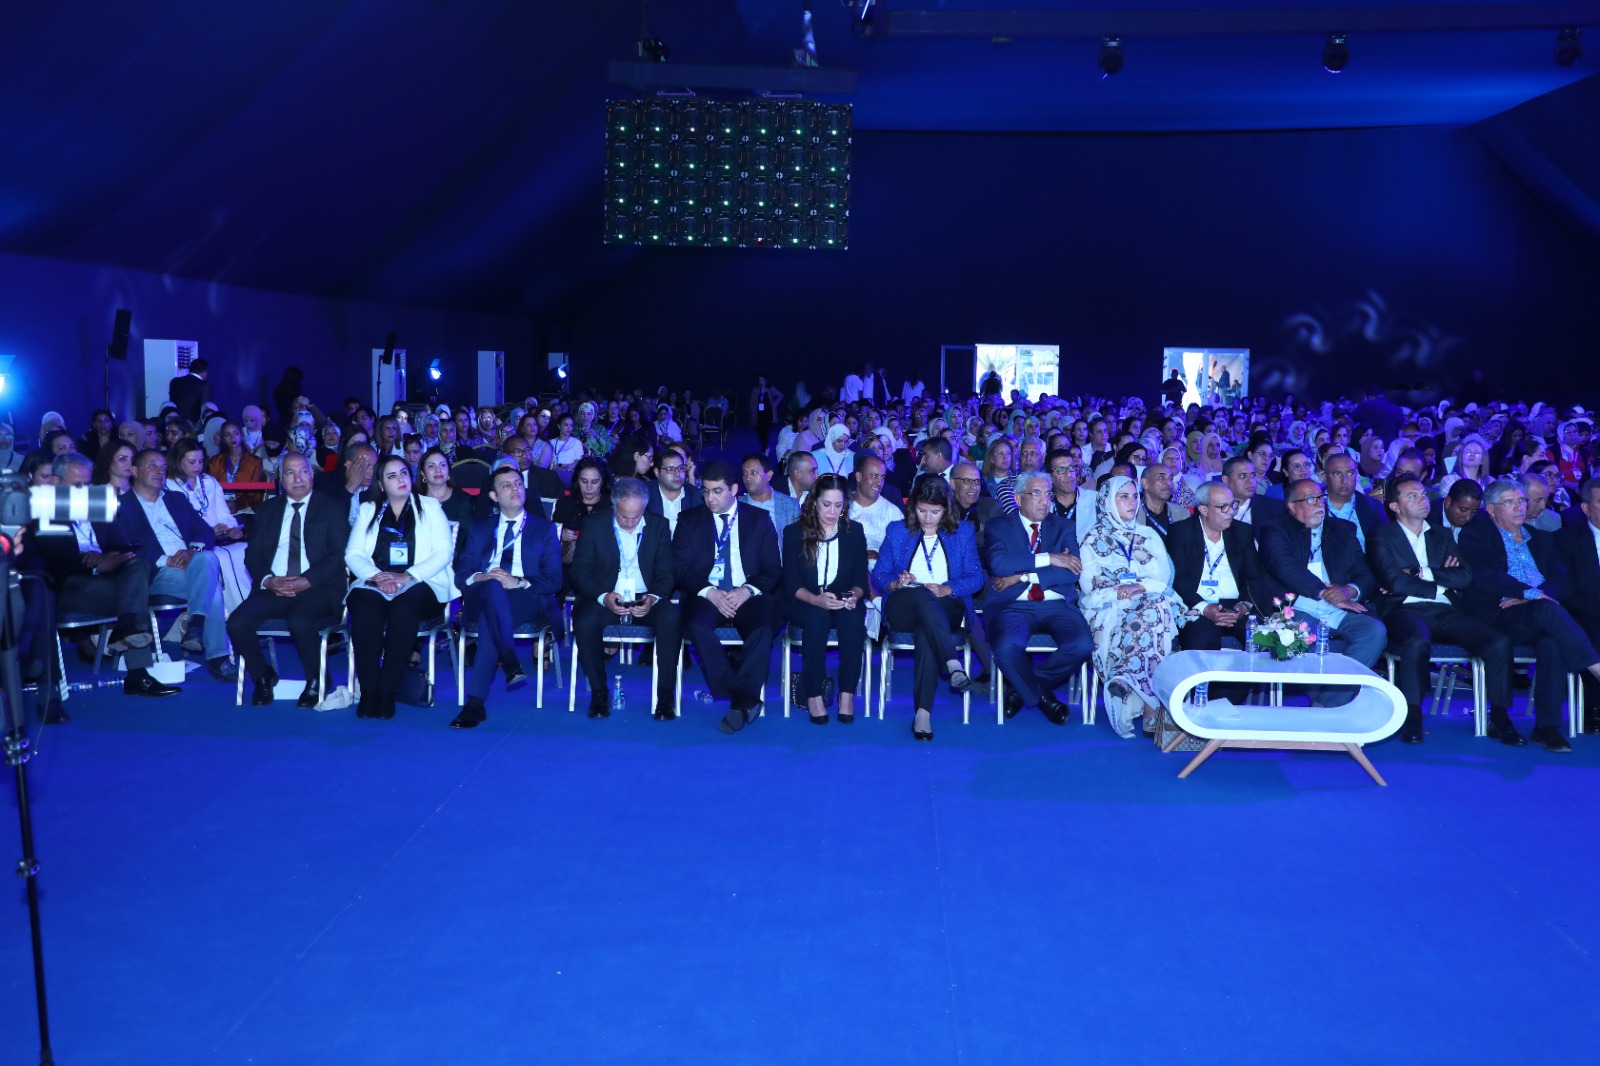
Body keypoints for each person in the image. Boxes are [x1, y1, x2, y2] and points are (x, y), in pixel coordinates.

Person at [1369, 472, 1513, 744]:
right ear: (1395, 506)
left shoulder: (1441, 534)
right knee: (1416, 641)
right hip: (1404, 610)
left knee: (1498, 641)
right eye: (1413, 496)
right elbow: (1394, 582)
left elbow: (1465, 576)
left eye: (1423, 494)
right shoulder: (1381, 536)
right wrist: (1441, 584)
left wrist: (1420, 572)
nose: (1423, 500)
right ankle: (1412, 717)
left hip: (1445, 611)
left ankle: (1500, 717)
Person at [1457, 479, 1600, 751]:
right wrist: (1528, 593)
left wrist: (1534, 595)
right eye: (1510, 502)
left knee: (1552, 641)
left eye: (1521, 500)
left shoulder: (1541, 539)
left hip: (1536, 613)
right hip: (1497, 614)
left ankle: (1547, 727)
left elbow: (1562, 580)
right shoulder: (1476, 535)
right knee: (1548, 609)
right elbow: (1487, 576)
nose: (1519, 507)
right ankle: (1596, 667)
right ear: (1491, 509)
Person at [37, 453, 178, 698]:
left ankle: (127, 629)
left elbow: (119, 543)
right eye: (77, 485)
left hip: (108, 580)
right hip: (70, 587)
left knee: (139, 565)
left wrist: (114, 555)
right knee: (134, 594)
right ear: (56, 483)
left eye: (88, 483)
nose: (84, 490)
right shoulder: (44, 512)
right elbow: (54, 558)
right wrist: (94, 564)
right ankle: (137, 672)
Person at [227, 452, 349, 707]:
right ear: (281, 479)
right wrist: (268, 580)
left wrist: (307, 580)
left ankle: (317, 679)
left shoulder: (333, 508)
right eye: (291, 473)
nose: (298, 478)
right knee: (237, 622)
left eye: (303, 471)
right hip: (275, 587)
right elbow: (253, 555)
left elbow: (337, 555)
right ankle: (262, 676)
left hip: (319, 588)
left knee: (300, 620)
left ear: (312, 474)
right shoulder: (267, 510)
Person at [1077, 475, 1193, 738]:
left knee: (1155, 607)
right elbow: (1088, 584)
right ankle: (1151, 708)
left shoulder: (1148, 535)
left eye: (1134, 496)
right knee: (1158, 617)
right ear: (1107, 501)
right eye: (1123, 497)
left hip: (1149, 600)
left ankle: (1126, 677)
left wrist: (1139, 587)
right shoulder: (1092, 539)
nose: (1132, 502)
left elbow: (1163, 577)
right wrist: (1120, 591)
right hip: (1109, 607)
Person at [344, 454, 459, 720]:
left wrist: (408, 576)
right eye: (392, 476)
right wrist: (378, 576)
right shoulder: (368, 509)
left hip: (422, 582)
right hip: (376, 580)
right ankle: (369, 690)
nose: (401, 480)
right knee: (365, 607)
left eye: (404, 473)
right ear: (381, 484)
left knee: (404, 607)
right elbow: (353, 554)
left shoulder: (430, 507)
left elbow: (443, 552)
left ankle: (387, 690)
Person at [673, 461, 782, 734]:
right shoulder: (689, 520)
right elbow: (681, 568)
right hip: (705, 593)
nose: (710, 498)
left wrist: (747, 590)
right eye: (706, 491)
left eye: (717, 491)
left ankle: (739, 702)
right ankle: (742, 697)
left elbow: (773, 569)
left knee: (763, 628)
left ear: (734, 489)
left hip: (747, 594)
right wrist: (710, 592)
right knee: (695, 624)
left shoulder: (758, 519)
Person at [450, 464, 561, 728]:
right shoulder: (480, 528)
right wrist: (482, 577)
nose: (515, 489)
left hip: (525, 598)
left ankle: (475, 702)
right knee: (492, 588)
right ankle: (508, 659)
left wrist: (518, 581)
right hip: (482, 594)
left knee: (491, 620)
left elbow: (554, 580)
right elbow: (461, 574)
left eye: (518, 483)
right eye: (506, 485)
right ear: (494, 496)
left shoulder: (544, 529)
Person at [870, 477, 981, 741]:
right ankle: (952, 662)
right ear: (913, 507)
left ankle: (922, 713)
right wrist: (897, 582)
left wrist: (947, 588)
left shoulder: (962, 532)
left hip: (946, 605)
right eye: (922, 511)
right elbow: (879, 574)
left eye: (935, 512)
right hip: (904, 605)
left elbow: (977, 577)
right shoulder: (897, 530)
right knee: (921, 595)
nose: (928, 518)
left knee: (927, 629)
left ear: (946, 509)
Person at [1258, 478, 1387, 703]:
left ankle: (1327, 702)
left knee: (1374, 632)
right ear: (1292, 506)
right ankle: (1331, 704)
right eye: (1311, 499)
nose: (1319, 503)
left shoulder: (1342, 530)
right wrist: (1325, 593)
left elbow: (1366, 574)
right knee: (1303, 635)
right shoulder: (1275, 529)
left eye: (1320, 497)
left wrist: (1349, 591)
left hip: (1340, 607)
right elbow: (1285, 568)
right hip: (1297, 607)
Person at [113, 449, 235, 681]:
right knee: (211, 586)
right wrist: (166, 559)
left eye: (163, 467)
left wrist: (192, 550)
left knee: (206, 559)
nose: (159, 471)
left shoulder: (176, 499)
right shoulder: (121, 506)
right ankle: (216, 655)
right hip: (155, 573)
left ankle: (196, 625)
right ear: (134, 471)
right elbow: (122, 547)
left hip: (192, 567)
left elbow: (205, 532)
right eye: (152, 465)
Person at [985, 471, 1092, 725]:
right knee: (1006, 647)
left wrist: (1021, 577)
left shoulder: (1063, 526)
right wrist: (1050, 558)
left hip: (1057, 605)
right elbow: (999, 565)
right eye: (1036, 494)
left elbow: (1072, 571)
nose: (1045, 501)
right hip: (1013, 606)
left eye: (1047, 494)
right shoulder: (998, 526)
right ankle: (1042, 697)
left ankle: (1021, 689)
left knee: (1082, 646)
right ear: (1018, 498)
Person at [571, 477, 682, 720]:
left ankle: (665, 697)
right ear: (613, 506)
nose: (631, 523)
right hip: (606, 595)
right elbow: (579, 573)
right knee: (585, 621)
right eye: (624, 517)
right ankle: (599, 694)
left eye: (636, 516)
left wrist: (652, 598)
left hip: (645, 596)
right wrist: (604, 597)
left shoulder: (658, 525)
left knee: (670, 618)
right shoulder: (594, 525)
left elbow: (666, 574)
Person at [1169, 481, 1269, 703]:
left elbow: (1255, 577)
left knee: (1263, 644)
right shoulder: (1181, 532)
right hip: (1197, 607)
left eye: (1232, 505)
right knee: (1202, 641)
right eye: (1223, 507)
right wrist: (1205, 608)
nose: (1231, 512)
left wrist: (1244, 606)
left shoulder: (1242, 532)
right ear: (1203, 510)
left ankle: (1223, 702)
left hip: (1236, 607)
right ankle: (1204, 703)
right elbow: (1178, 579)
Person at [782, 474, 869, 724]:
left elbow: (861, 581)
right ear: (814, 502)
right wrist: (815, 600)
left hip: (841, 600)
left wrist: (853, 596)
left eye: (838, 505)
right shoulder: (794, 533)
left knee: (853, 619)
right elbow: (791, 584)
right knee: (817, 617)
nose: (832, 511)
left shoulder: (854, 532)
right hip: (804, 600)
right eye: (826, 504)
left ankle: (846, 694)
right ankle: (813, 694)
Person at [166, 437, 249, 614]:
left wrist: (230, 528)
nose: (197, 466)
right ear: (178, 461)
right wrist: (208, 531)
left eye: (200, 461)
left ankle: (244, 609)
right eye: (192, 462)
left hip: (219, 537)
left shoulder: (209, 481)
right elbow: (176, 525)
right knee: (223, 557)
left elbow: (224, 514)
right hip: (192, 543)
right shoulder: (169, 486)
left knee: (242, 550)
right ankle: (235, 612)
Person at [1555, 476, 1600, 732]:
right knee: (1592, 631)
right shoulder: (1567, 539)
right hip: (1583, 612)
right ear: (1585, 508)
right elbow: (1567, 589)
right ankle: (1593, 707)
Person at [552, 457, 612, 570]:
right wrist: (560, 533)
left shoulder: (611, 505)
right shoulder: (566, 504)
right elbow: (550, 534)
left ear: (602, 481)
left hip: (603, 566)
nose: (589, 487)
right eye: (584, 481)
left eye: (594, 482)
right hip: (570, 565)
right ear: (577, 481)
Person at [416, 446, 474, 558]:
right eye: (431, 466)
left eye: (442, 465)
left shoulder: (463, 499)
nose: (438, 470)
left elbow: (469, 538)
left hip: (455, 559)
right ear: (423, 473)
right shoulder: (416, 501)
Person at [849, 453, 903, 564]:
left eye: (882, 477)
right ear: (859, 476)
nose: (879, 482)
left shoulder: (893, 513)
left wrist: (880, 556)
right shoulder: (841, 506)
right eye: (874, 476)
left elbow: (902, 554)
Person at [740, 453, 800, 554]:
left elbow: (799, 544)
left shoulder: (790, 505)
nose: (748, 478)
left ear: (769, 475)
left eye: (753, 473)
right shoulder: (738, 506)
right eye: (745, 473)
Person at [207, 421, 267, 514]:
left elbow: (253, 493)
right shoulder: (215, 462)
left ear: (241, 436)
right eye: (227, 435)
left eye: (236, 433)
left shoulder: (255, 462)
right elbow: (211, 489)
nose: (233, 438)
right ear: (223, 438)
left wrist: (236, 504)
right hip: (220, 508)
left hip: (246, 509)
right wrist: (223, 504)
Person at [1220, 455, 1284, 536]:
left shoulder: (1274, 507)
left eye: (1253, 475)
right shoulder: (1215, 509)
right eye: (1243, 476)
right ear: (1226, 480)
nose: (1251, 480)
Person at [646, 445, 703, 535]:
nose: (677, 474)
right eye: (670, 469)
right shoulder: (645, 494)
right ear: (657, 472)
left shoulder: (694, 495)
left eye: (681, 468)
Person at [1137, 461, 1182, 546]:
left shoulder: (1182, 514)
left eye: (1171, 479)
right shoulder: (1133, 514)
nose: (1169, 483)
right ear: (1144, 483)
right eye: (1161, 478)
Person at [1432, 478, 1483, 543]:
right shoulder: (1428, 520)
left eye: (1474, 512)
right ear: (1448, 502)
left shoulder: (1478, 523)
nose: (1468, 518)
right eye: (1463, 510)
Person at [169, 357, 210, 423]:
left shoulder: (175, 382)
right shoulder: (203, 385)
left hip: (175, 422)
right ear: (203, 372)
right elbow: (204, 407)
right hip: (193, 424)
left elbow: (171, 404)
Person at [749, 376, 783, 453]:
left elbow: (780, 395)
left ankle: (764, 448)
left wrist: (774, 404)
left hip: (768, 414)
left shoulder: (770, 389)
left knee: (765, 431)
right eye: (759, 380)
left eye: (762, 380)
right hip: (758, 414)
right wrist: (752, 412)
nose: (760, 381)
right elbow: (752, 402)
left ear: (766, 381)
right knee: (759, 431)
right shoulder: (755, 390)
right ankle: (764, 446)